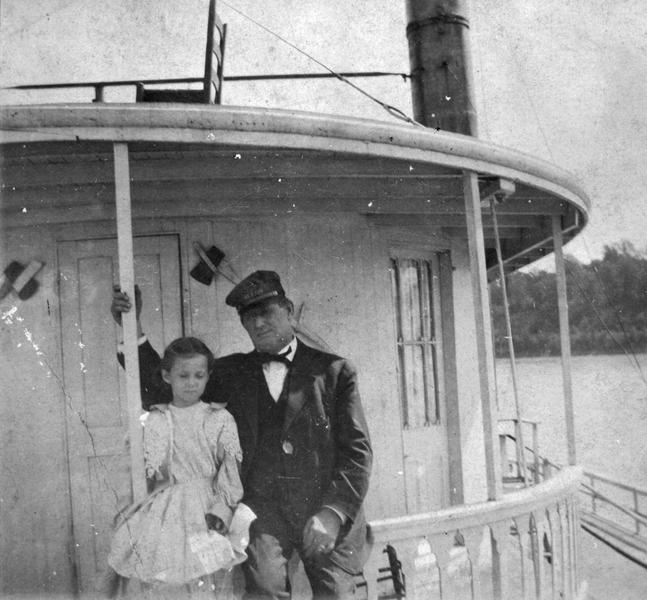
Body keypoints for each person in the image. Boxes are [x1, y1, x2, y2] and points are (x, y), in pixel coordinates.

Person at [111, 271, 373, 600]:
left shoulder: (335, 371)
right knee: (263, 591)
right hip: (264, 514)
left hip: (324, 508)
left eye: (267, 313)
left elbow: (358, 454)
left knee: (336, 593)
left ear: (288, 310)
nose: (259, 324)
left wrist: (333, 513)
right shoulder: (234, 371)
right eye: (249, 318)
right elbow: (162, 387)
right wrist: (130, 326)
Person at [107, 336, 253, 599]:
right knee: (167, 579)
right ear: (166, 376)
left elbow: (230, 473)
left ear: (208, 376)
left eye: (199, 375)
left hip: (206, 506)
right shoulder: (154, 419)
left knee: (206, 576)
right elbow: (141, 472)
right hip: (166, 509)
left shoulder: (219, 418)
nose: (191, 383)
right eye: (183, 375)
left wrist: (222, 509)